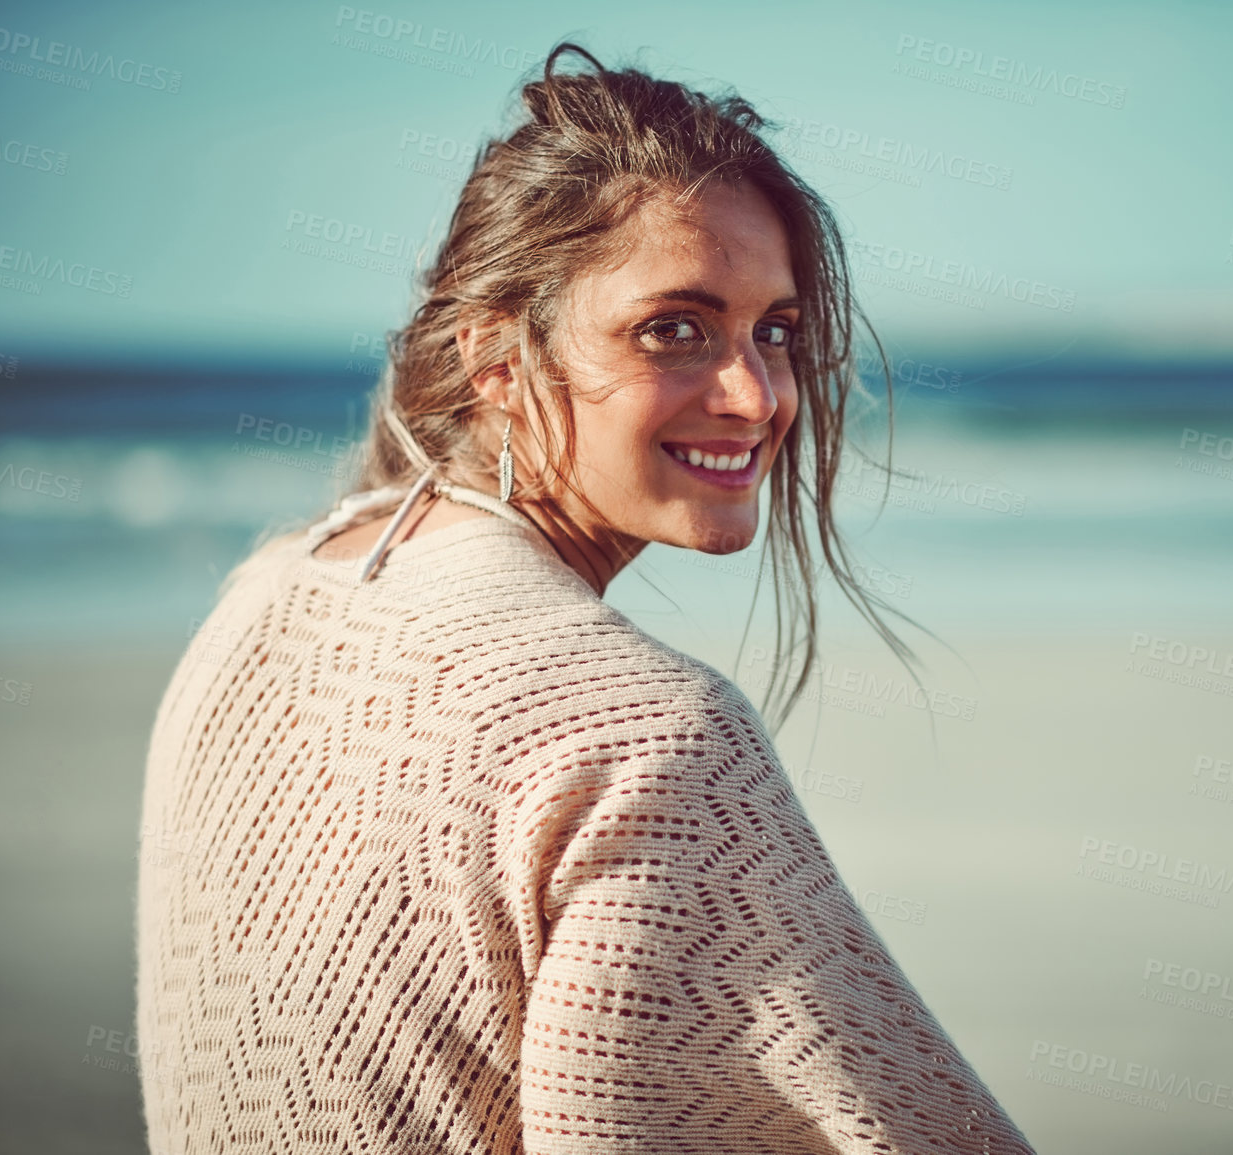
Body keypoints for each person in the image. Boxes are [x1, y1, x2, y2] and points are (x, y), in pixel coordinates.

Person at [135, 42, 1035, 1154]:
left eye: (777, 332)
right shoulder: (643, 741)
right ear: (498, 361)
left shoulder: (266, 598)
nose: (756, 395)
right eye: (673, 329)